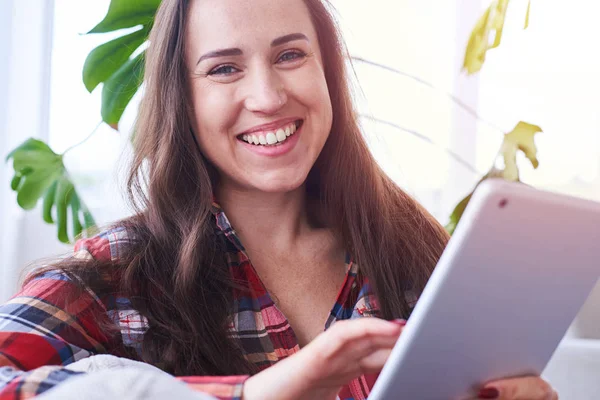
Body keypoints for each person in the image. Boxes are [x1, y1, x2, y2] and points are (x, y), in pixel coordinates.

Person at [0, 0, 558, 399]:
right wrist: (254, 394)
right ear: (182, 99)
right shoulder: (117, 272)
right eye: (223, 68)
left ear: (327, 72)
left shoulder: (413, 250)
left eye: (290, 55)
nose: (267, 97)